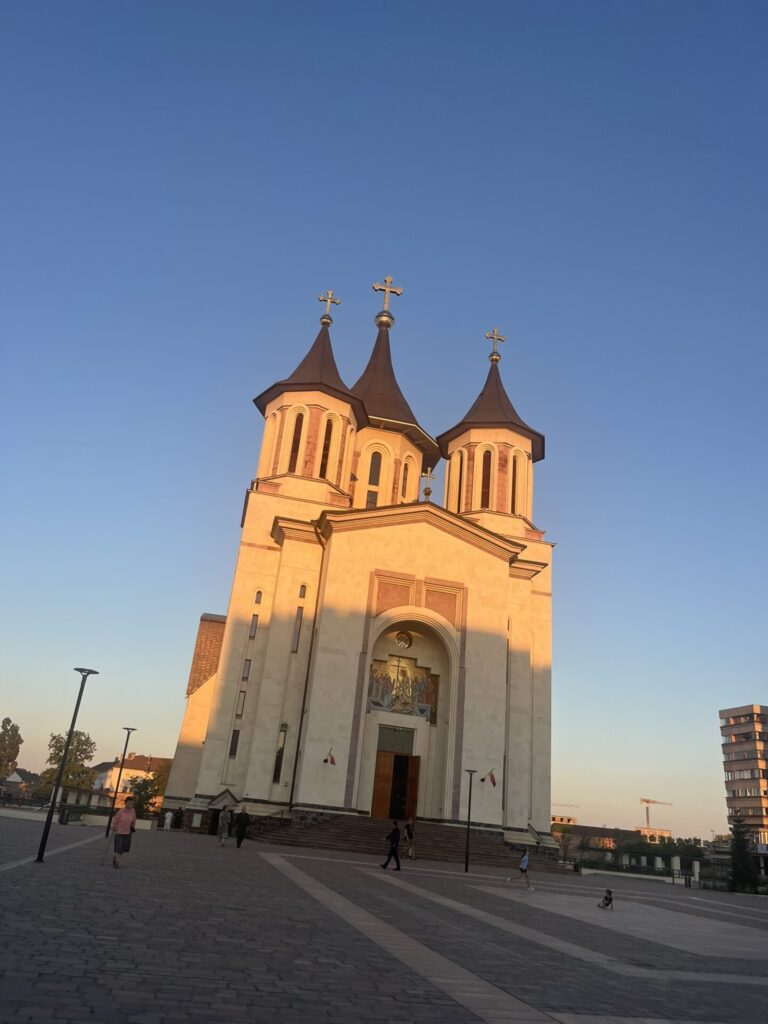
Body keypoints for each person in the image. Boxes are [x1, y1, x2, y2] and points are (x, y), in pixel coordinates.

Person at [111, 797, 137, 869]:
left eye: (132, 803)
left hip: (128, 832)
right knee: (118, 847)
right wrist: (114, 826)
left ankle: (115, 856)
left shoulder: (133, 811)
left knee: (124, 848)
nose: (130, 804)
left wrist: (133, 825)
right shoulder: (121, 811)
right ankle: (117, 861)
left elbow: (134, 820)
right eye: (129, 802)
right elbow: (115, 820)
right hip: (119, 832)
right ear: (125, 803)